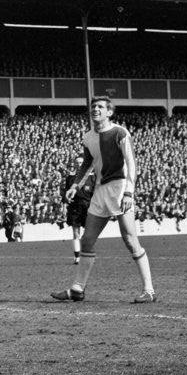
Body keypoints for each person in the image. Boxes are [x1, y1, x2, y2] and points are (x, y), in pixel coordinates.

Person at [52, 96, 156, 304]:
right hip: (100, 191)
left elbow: (132, 164)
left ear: (109, 112)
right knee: (87, 240)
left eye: (100, 107)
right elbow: (86, 165)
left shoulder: (120, 133)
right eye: (93, 107)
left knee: (130, 239)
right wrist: (75, 186)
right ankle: (77, 289)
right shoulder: (88, 137)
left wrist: (129, 192)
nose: (95, 109)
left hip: (119, 188)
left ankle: (149, 290)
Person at [60, 156, 95, 265]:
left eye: (81, 162)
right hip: (74, 207)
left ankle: (87, 255)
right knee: (76, 233)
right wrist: (64, 207)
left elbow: (96, 194)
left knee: (88, 234)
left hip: (89, 208)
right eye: (77, 162)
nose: (79, 164)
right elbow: (65, 194)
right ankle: (77, 257)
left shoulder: (92, 177)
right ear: (74, 164)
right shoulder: (70, 178)